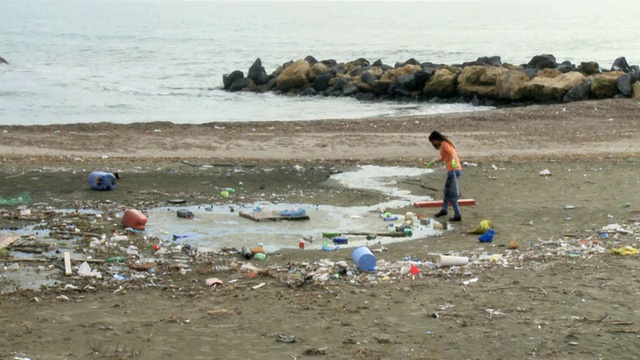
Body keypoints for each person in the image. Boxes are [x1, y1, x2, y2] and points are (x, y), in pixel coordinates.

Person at [426, 131, 462, 222]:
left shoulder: (445, 144)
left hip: (454, 170)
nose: (433, 144)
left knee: (451, 193)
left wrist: (453, 161)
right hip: (452, 170)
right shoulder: (443, 145)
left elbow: (452, 153)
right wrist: (434, 162)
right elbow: (444, 157)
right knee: (446, 191)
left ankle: (457, 215)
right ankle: (444, 210)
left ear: (436, 139)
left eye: (432, 141)